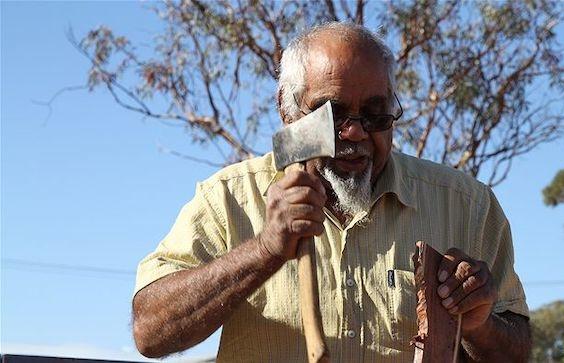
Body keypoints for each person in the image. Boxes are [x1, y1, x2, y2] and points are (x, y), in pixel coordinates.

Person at [132, 22, 531, 362]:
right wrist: (266, 250)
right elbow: (150, 332)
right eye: (332, 113)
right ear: (287, 110)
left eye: (375, 115)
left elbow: (516, 350)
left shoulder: (465, 204)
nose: (355, 132)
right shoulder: (229, 198)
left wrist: (479, 326)